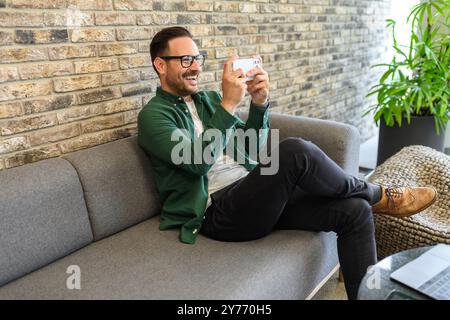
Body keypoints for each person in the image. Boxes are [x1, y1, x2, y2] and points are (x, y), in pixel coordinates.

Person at [137, 26, 438, 300]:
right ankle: (379, 195)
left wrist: (258, 103)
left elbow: (253, 144)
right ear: (160, 65)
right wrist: (229, 104)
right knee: (295, 151)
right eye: (186, 59)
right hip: (217, 214)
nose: (197, 66)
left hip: (252, 193)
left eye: (198, 57)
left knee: (354, 210)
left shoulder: (207, 100)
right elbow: (198, 163)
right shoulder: (153, 117)